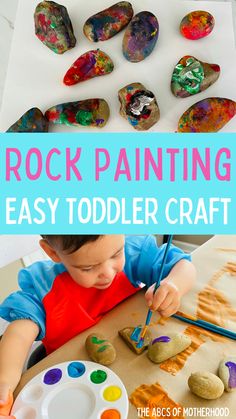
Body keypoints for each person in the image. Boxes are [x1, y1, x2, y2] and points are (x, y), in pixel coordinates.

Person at [0, 234, 196, 417]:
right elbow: (18, 334)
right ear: (52, 252)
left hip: (135, 373)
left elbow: (182, 264)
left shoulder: (133, 251)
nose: (107, 273)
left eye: (116, 254)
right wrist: (4, 382)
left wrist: (174, 285)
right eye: (88, 268)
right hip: (73, 390)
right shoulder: (43, 288)